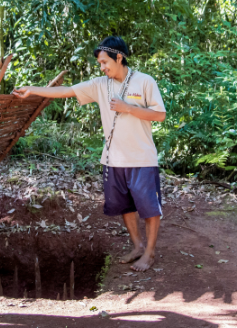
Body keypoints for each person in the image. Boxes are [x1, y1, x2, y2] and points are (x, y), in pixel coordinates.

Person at [12, 36, 166, 272]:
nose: (102, 68)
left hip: (142, 158)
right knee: (124, 206)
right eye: (100, 64)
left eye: (105, 62)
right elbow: (67, 91)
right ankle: (137, 246)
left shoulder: (145, 82)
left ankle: (150, 252)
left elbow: (159, 115)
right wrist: (32, 90)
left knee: (149, 207)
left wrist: (129, 108)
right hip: (113, 160)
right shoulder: (99, 85)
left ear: (119, 57)